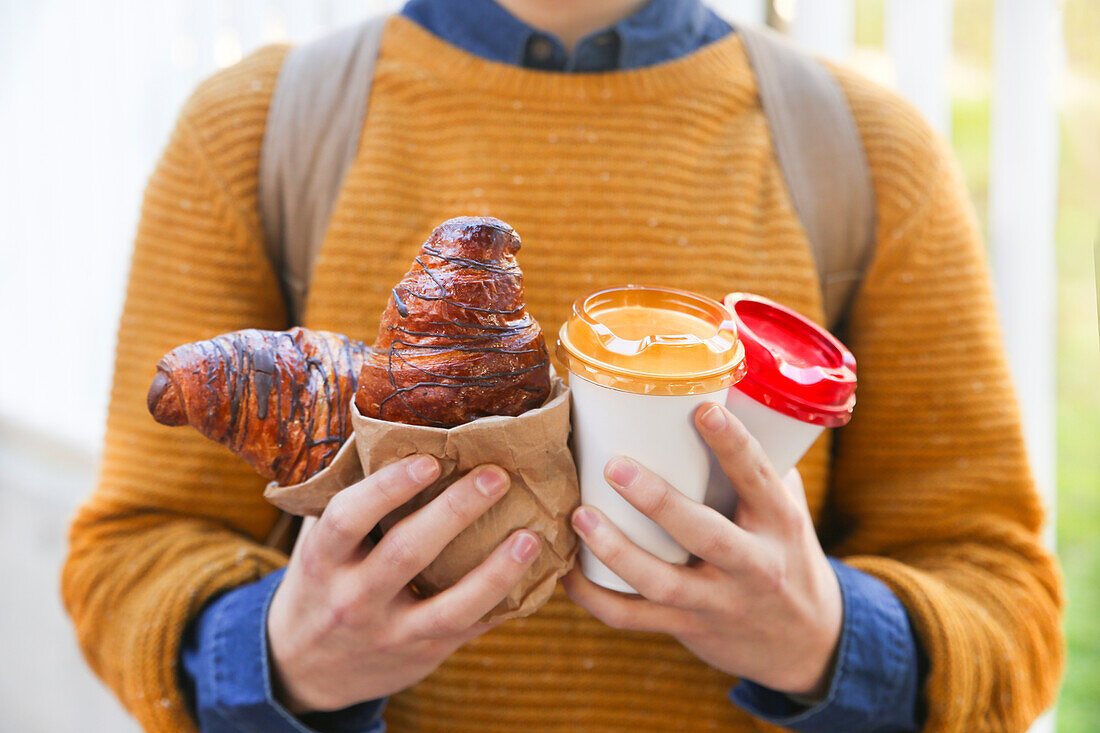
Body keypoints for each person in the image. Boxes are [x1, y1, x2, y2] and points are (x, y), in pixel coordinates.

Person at [61, 0, 1064, 731]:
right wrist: (282, 655)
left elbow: (1003, 600)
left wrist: (830, 638)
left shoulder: (868, 156)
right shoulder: (253, 133)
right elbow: (133, 553)